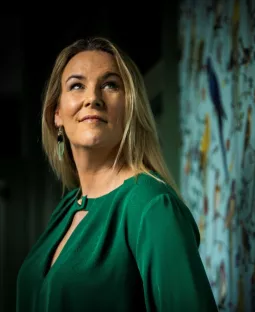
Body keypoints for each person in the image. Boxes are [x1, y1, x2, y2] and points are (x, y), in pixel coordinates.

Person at [16, 37, 218, 312]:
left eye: (110, 84)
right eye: (77, 86)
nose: (93, 98)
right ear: (57, 114)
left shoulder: (152, 205)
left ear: (129, 107)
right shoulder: (67, 207)